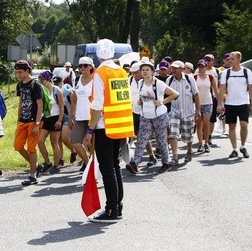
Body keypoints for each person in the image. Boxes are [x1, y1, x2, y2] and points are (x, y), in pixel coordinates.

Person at [83, 39, 134, 223]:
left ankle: (111, 209)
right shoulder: (120, 71)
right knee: (114, 166)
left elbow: (97, 105)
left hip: (104, 126)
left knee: (107, 168)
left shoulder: (100, 73)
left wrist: (89, 130)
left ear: (97, 54)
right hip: (120, 125)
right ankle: (118, 207)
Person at [126, 61, 179, 174]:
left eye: (147, 70)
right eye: (143, 70)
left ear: (152, 72)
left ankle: (166, 163)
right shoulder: (140, 83)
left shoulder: (158, 83)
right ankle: (134, 163)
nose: (144, 72)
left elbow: (174, 94)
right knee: (141, 140)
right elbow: (142, 96)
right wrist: (140, 101)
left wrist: (162, 102)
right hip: (145, 116)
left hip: (159, 116)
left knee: (161, 140)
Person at [217, 51, 252, 159]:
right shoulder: (226, 73)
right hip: (230, 103)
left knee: (244, 124)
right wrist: (220, 104)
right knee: (232, 126)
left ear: (239, 60)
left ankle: (243, 146)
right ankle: (234, 149)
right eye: (229, 59)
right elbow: (222, 89)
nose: (230, 61)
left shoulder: (247, 72)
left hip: (243, 103)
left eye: (232, 59)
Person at [14, 60, 43, 186]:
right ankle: (35, 165)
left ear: (27, 70)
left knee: (32, 148)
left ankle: (32, 176)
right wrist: (18, 120)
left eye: (20, 72)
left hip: (33, 121)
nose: (19, 75)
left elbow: (40, 105)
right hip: (22, 121)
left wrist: (37, 124)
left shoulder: (35, 85)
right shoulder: (20, 85)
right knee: (18, 145)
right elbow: (20, 103)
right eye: (17, 73)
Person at [166, 60, 200, 164]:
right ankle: (175, 156)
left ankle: (189, 151)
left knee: (187, 135)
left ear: (182, 69)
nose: (173, 70)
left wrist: (198, 110)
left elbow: (196, 94)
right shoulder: (169, 80)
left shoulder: (190, 79)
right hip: (174, 112)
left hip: (188, 111)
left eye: (176, 68)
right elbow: (165, 95)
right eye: (172, 68)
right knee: (173, 134)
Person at [69, 56, 94, 172]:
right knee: (74, 141)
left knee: (92, 144)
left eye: (85, 65)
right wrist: (71, 116)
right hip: (79, 116)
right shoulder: (77, 79)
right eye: (80, 66)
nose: (82, 68)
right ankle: (88, 163)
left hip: (92, 116)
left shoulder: (96, 79)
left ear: (91, 67)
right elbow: (74, 99)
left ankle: (95, 167)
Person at [37, 70, 64, 174]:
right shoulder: (42, 90)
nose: (41, 82)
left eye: (42, 80)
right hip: (46, 119)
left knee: (54, 143)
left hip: (55, 118)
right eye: (40, 80)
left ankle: (56, 165)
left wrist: (59, 121)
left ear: (48, 80)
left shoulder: (57, 91)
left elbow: (61, 106)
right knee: (40, 141)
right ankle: (48, 162)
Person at [194, 59, 219, 153]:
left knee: (206, 123)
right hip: (198, 104)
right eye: (199, 66)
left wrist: (220, 102)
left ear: (206, 67)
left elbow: (216, 91)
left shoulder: (211, 77)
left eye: (203, 66)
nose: (201, 68)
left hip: (208, 102)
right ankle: (200, 143)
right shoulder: (195, 77)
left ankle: (206, 143)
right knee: (199, 124)